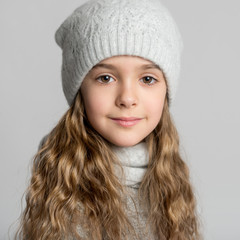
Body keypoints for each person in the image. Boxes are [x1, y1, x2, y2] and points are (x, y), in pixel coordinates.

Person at [16, 0, 202, 239]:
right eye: (105, 78)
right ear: (80, 89)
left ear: (166, 90)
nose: (127, 98)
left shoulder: (170, 177)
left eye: (147, 79)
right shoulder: (63, 190)